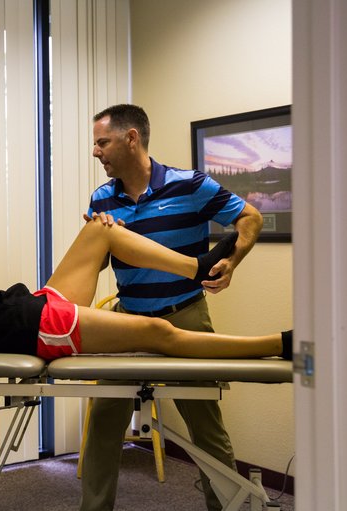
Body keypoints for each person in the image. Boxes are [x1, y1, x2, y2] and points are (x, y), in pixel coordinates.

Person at [80, 104, 265, 511]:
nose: (96, 151)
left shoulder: (190, 185)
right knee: (103, 423)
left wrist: (232, 261)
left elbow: (250, 218)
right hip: (128, 321)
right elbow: (98, 262)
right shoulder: (102, 198)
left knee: (206, 427)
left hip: (184, 316)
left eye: (102, 142)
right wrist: (97, 240)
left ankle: (226, 506)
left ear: (131, 138)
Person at [0, 215, 290, 362]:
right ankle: (278, 344)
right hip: (42, 327)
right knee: (157, 332)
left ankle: (196, 267)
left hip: (37, 306)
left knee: (100, 229)